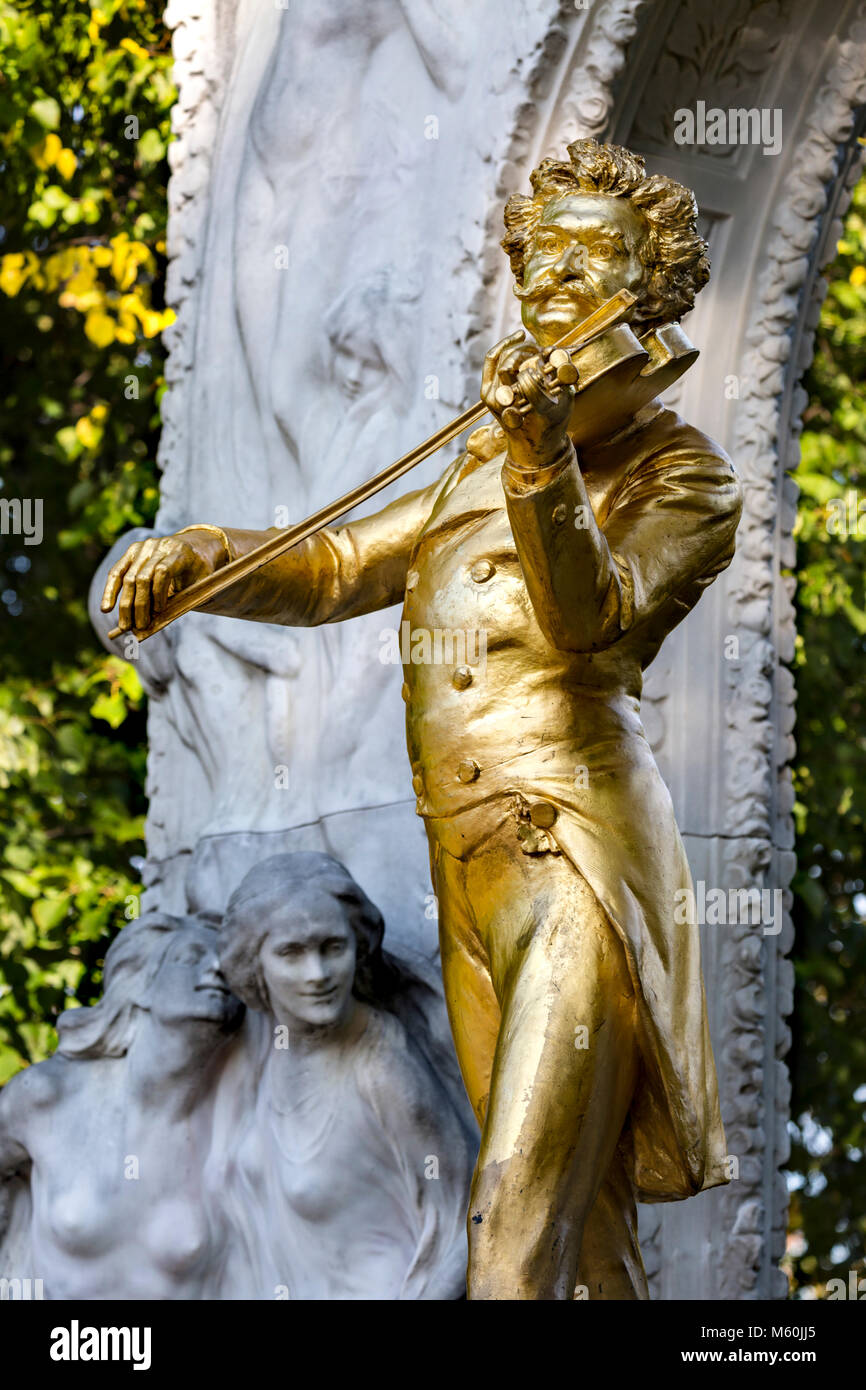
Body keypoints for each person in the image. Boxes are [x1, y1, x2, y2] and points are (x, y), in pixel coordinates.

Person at [102, 138, 743, 1299]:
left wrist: (541, 453)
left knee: (506, 1213)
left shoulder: (680, 477)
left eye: (590, 256)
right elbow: (336, 563)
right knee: (584, 1234)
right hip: (467, 870)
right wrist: (202, 557)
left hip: (573, 851)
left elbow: (588, 617)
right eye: (540, 254)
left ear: (645, 293)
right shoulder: (474, 463)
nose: (553, 275)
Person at [211, 852, 475, 1300]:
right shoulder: (269, 1052)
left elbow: (473, 1221)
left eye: (333, 948)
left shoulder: (381, 1065)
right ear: (255, 966)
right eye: (291, 953)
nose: (317, 974)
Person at [0, 914, 243, 1299]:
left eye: (225, 964)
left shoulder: (241, 1121)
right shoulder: (46, 1096)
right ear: (140, 986)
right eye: (189, 957)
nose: (215, 968)